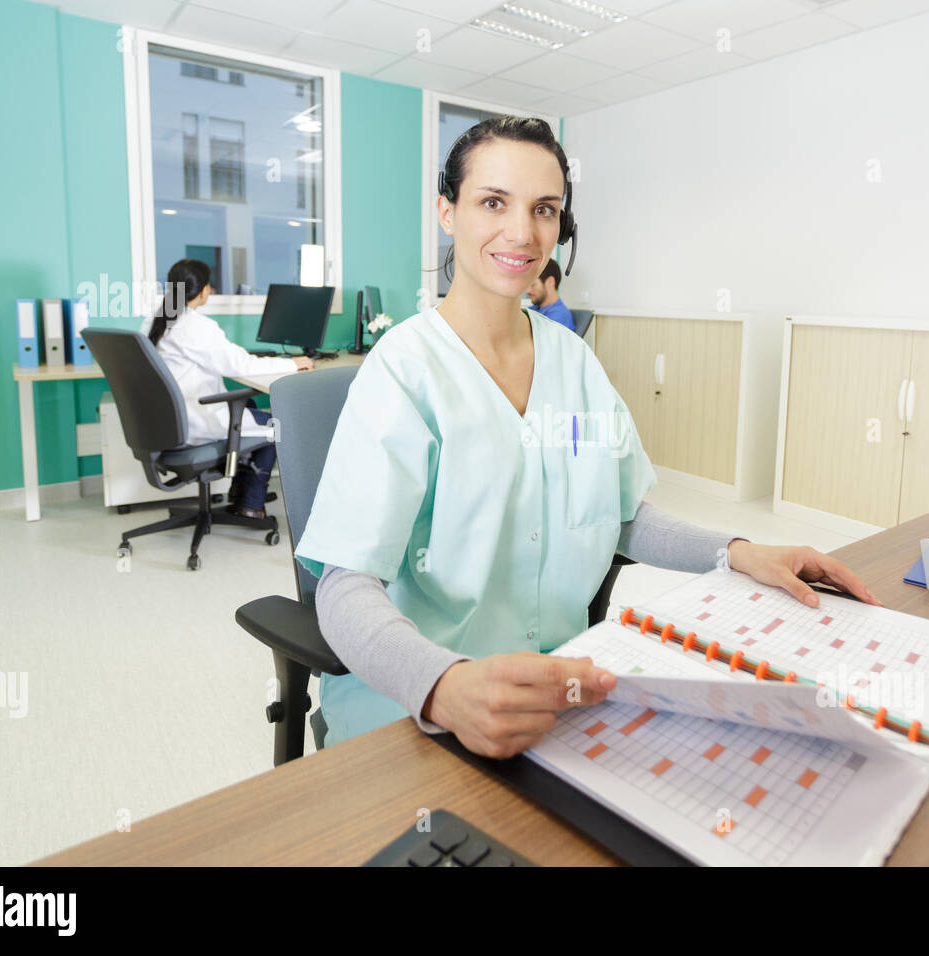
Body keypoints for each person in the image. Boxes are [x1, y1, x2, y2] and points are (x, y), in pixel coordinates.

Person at [294, 116, 881, 758]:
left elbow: (620, 516)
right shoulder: (404, 371)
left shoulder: (572, 363)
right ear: (447, 211)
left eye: (544, 209)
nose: (522, 232)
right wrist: (443, 686)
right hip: (421, 702)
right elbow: (345, 586)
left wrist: (738, 551)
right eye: (493, 202)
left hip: (564, 685)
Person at [141, 259, 312, 517]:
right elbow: (241, 366)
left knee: (250, 407)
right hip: (195, 423)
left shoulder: (155, 320)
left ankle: (240, 491)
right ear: (203, 291)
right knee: (276, 425)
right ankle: (251, 504)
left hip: (166, 426)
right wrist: (292, 364)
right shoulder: (196, 327)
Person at [526, 257, 575, 331]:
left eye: (533, 284)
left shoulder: (560, 316)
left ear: (550, 282)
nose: (527, 291)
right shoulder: (533, 309)